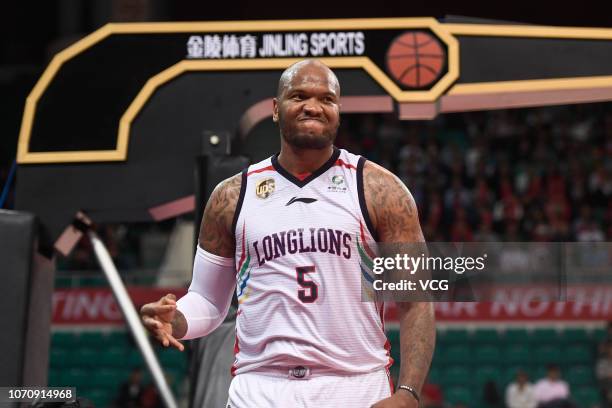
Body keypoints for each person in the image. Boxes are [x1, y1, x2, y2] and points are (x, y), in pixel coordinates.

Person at [140, 59, 435, 408]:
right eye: (299, 96)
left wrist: (408, 393)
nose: (313, 106)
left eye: (326, 99)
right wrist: (175, 321)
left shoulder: (379, 190)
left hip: (354, 385)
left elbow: (416, 301)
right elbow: (208, 301)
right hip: (261, 388)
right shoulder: (231, 196)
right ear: (277, 110)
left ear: (338, 111)